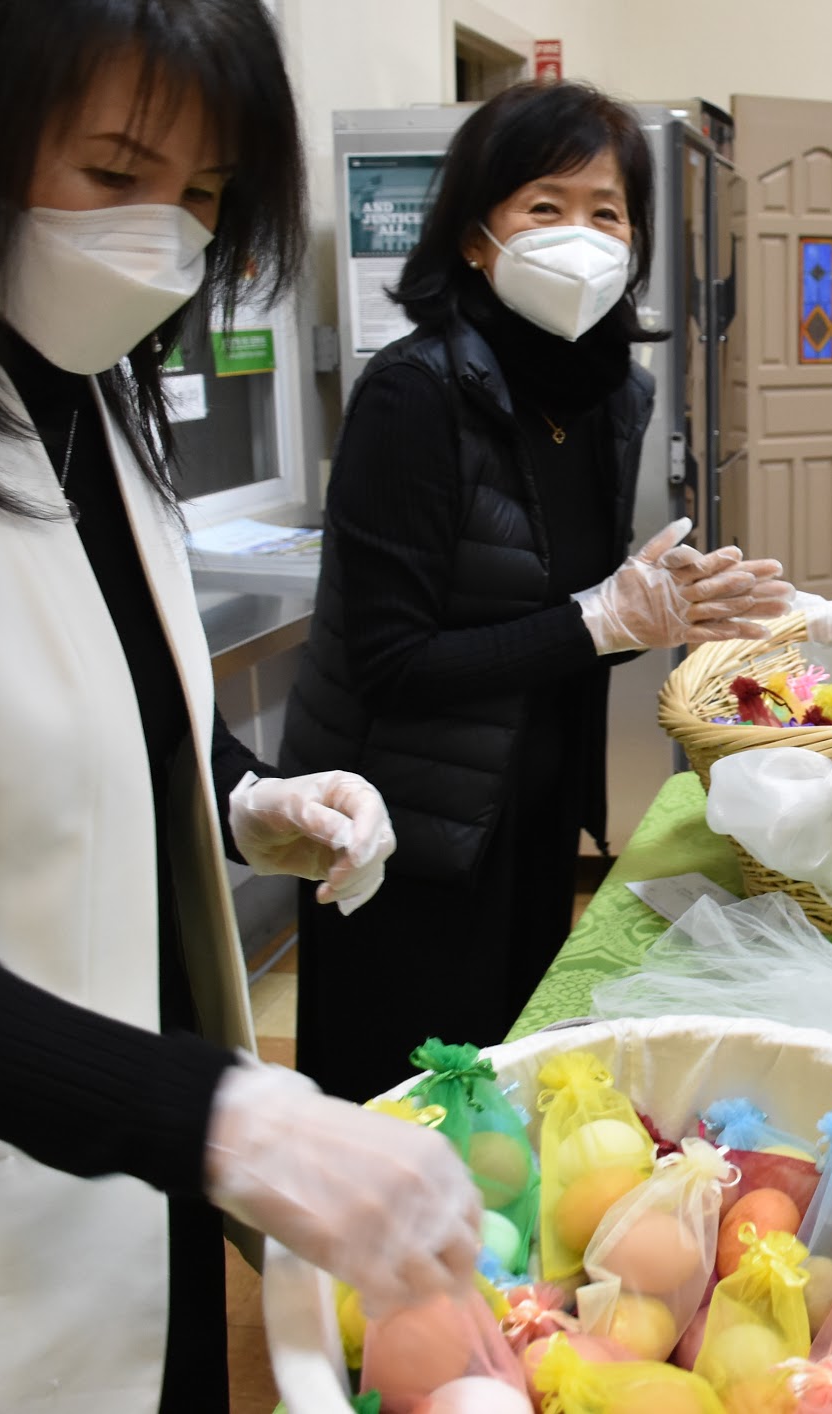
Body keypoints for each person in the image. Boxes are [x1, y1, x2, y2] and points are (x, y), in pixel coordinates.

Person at [0, 0, 483, 1409]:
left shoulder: (83, 406)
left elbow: (97, 689)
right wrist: (236, 1118)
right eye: (111, 172)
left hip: (140, 1179)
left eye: (207, 199)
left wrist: (243, 797)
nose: (164, 240)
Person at [283, 81, 794, 1103]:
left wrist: (658, 604)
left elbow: (561, 606)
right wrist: (600, 618)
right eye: (544, 207)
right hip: (405, 826)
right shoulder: (412, 394)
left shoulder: (610, 394)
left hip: (536, 801)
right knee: (406, 1100)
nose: (581, 235)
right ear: (476, 235)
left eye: (606, 211)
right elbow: (392, 660)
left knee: (506, 1078)